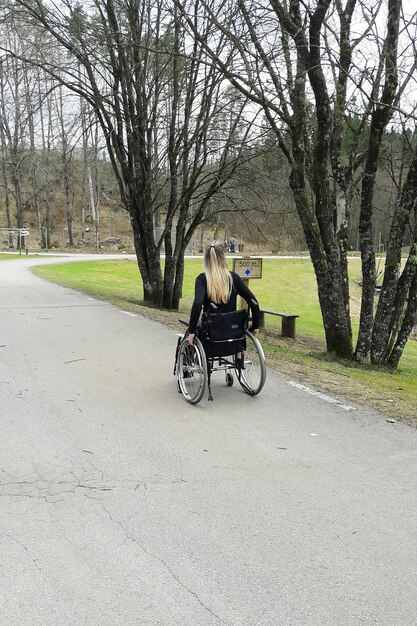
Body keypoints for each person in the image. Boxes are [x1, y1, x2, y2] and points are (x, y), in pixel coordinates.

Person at [188, 243, 260, 346]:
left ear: (206, 261)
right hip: (233, 330)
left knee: (194, 333)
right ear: (223, 259)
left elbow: (198, 304)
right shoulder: (233, 278)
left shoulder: (202, 279)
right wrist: (255, 326)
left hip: (211, 332)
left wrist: (191, 331)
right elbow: (253, 302)